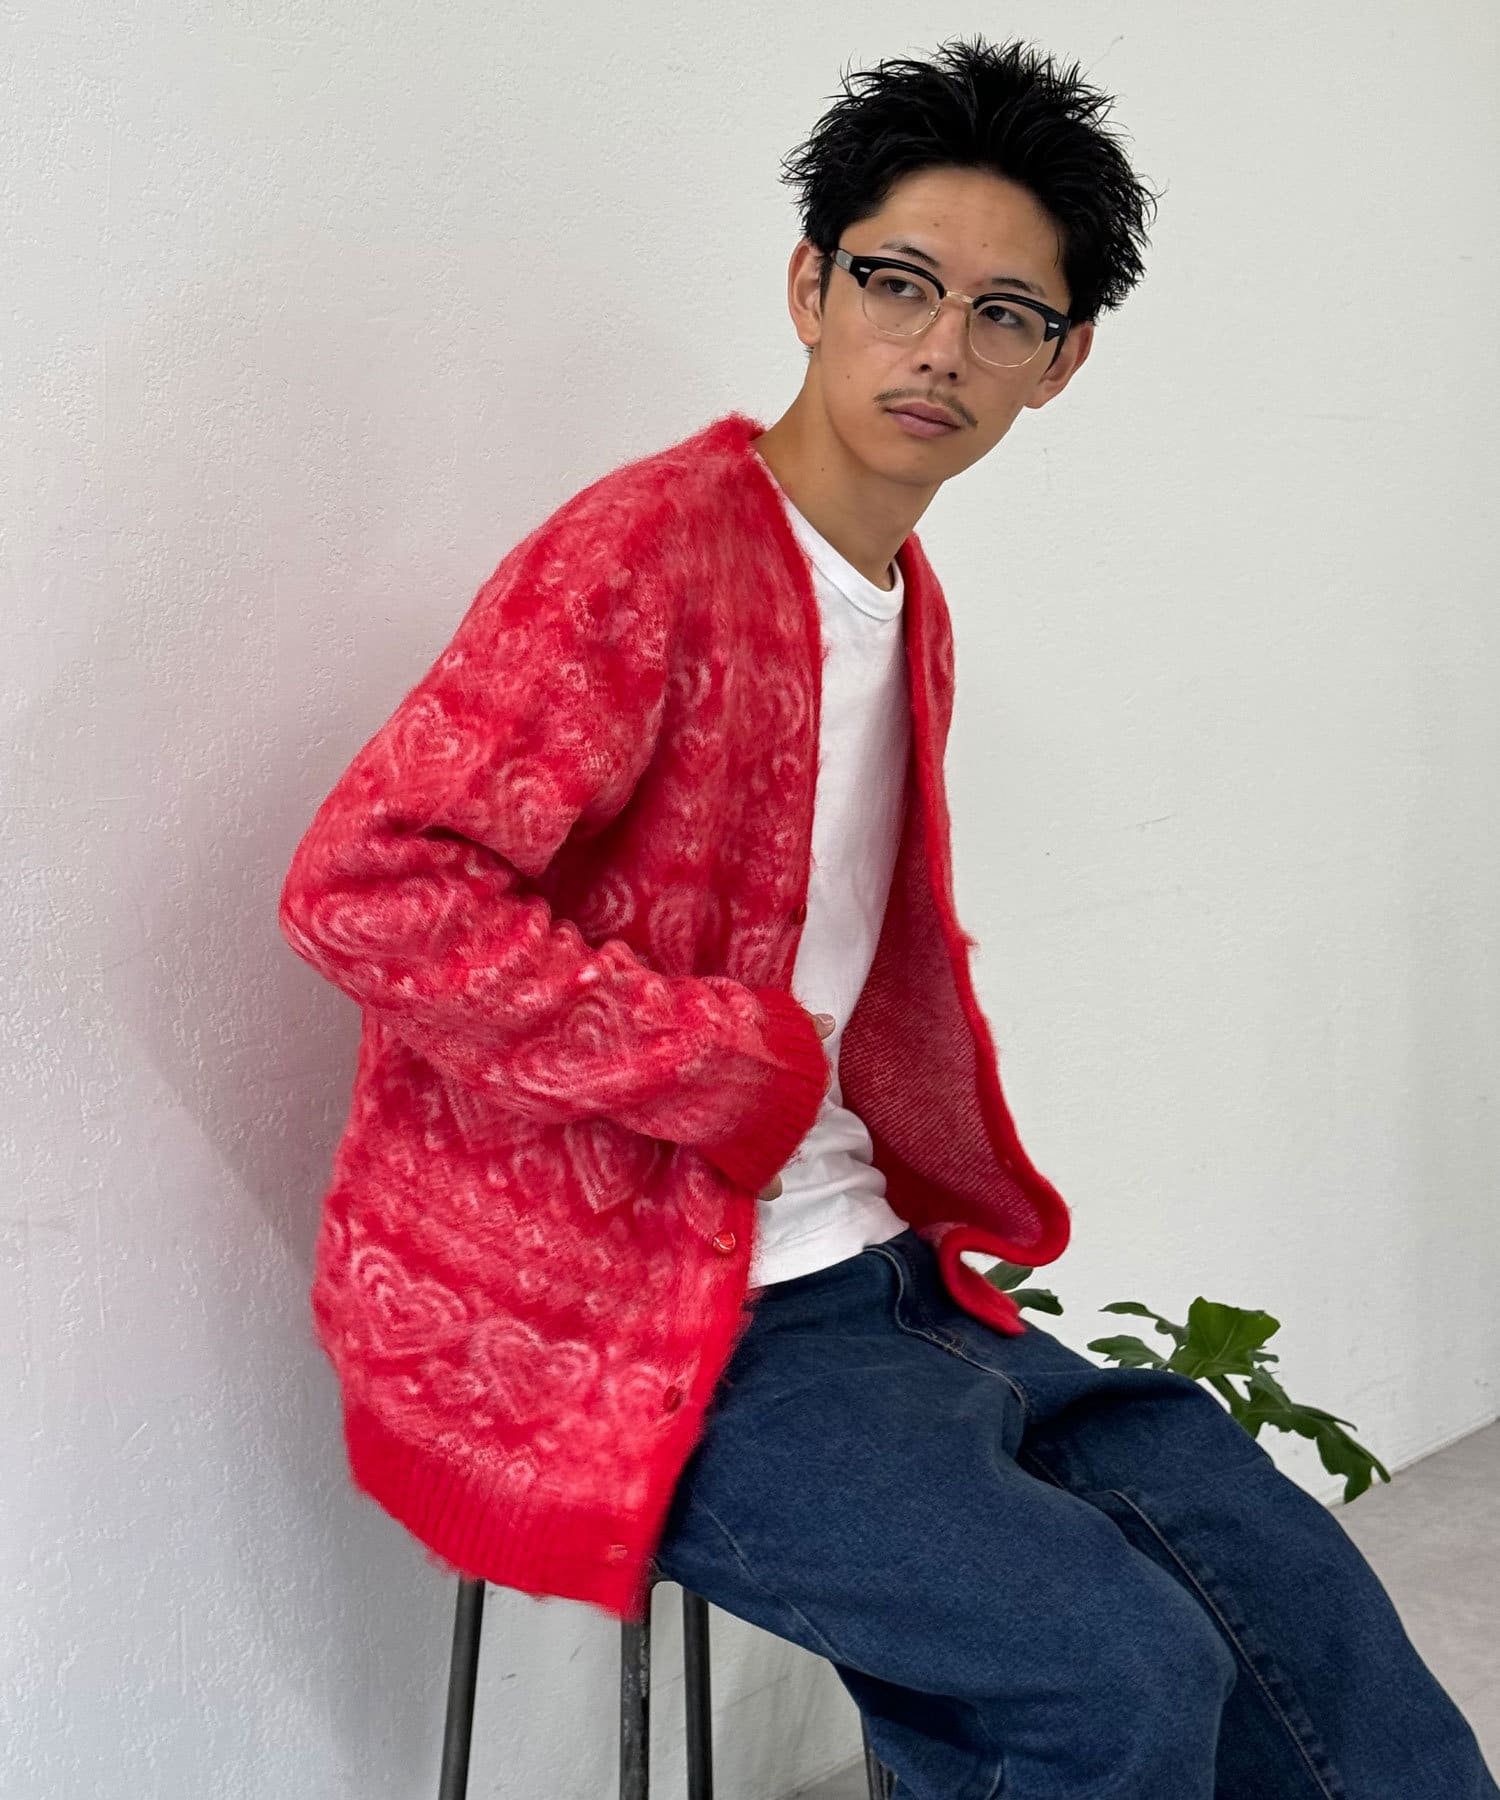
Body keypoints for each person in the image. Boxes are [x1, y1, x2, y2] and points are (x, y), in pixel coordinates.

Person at [279, 33, 1498, 1796]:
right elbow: (367, 883)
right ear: (812, 285)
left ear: (1062, 361)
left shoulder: (902, 602)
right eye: (899, 283)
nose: (940, 347)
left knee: (1307, 1623)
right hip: (642, 1317)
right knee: (1104, 1676)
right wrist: (716, 1061)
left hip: (871, 1278)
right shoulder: (649, 554)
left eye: (1006, 314)